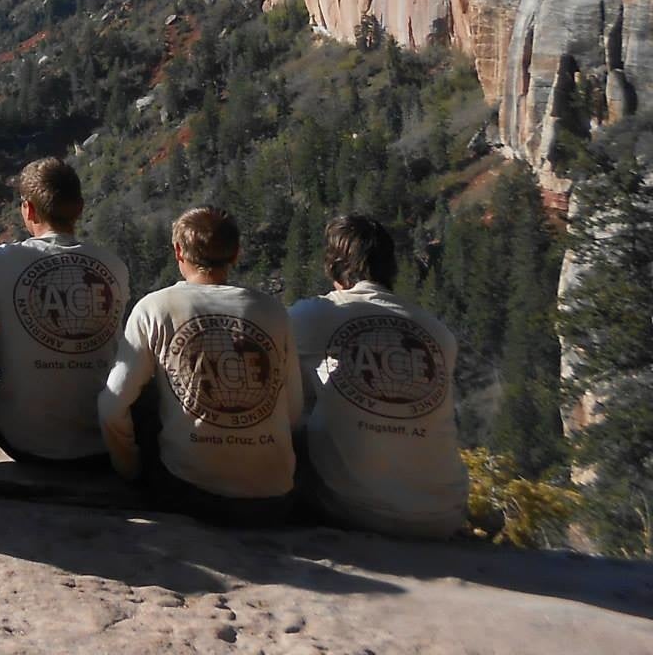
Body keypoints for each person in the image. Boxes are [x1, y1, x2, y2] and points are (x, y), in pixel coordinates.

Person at [100, 205, 303, 526]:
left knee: (145, 395)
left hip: (188, 493)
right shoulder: (273, 312)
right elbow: (292, 411)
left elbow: (112, 408)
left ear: (178, 251)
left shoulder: (155, 308)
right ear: (236, 253)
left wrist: (130, 470)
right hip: (273, 499)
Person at [289, 213, 468, 538]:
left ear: (333, 266)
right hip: (443, 515)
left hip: (354, 511)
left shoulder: (316, 314)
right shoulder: (438, 332)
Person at [0, 157, 129, 464]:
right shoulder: (113, 265)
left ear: (28, 209)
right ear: (80, 208)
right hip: (101, 438)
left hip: (27, 442)